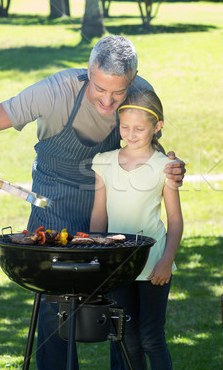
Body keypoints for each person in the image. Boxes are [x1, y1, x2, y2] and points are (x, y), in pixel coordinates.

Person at [0, 35, 185, 370]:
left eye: (118, 92)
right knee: (56, 310)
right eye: (99, 88)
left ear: (133, 80)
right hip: (55, 205)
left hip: (113, 212)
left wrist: (172, 167)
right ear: (88, 71)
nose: (108, 101)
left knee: (118, 310)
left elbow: (148, 148)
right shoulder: (55, 91)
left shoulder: (141, 94)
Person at [90, 90, 183, 370]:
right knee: (126, 338)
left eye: (139, 129)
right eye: (125, 126)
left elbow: (175, 220)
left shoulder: (164, 167)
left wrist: (166, 261)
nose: (130, 134)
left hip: (153, 265)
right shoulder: (103, 162)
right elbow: (99, 213)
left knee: (151, 338)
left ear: (157, 127)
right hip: (117, 266)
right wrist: (98, 255)